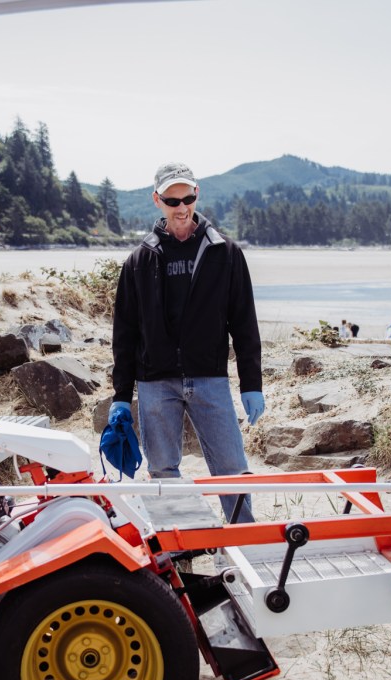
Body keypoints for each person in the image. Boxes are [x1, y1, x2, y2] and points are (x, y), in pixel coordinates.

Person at [111, 162, 262, 523]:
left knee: (232, 469)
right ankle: (181, 545)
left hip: (210, 378)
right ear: (157, 200)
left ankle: (245, 539)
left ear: (197, 195)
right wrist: (121, 396)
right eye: (172, 200)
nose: (181, 208)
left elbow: (244, 324)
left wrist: (251, 384)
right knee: (163, 471)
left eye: (187, 198)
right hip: (155, 383)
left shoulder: (225, 253)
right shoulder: (138, 261)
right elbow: (125, 334)